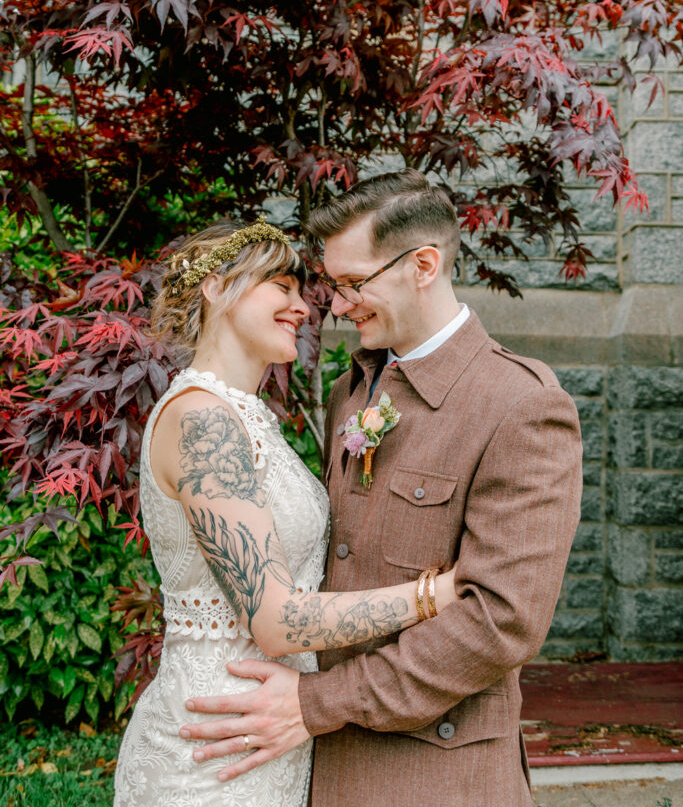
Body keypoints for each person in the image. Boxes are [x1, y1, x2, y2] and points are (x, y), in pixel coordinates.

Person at [179, 171, 584, 807]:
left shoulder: (521, 405)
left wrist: (318, 703)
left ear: (422, 264)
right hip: (311, 762)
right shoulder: (350, 390)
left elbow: (502, 621)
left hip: (432, 775)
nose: (335, 306)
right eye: (333, 286)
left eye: (352, 283)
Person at [113, 215, 459, 807]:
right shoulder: (203, 420)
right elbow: (274, 620)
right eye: (282, 286)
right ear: (216, 288)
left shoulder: (250, 419)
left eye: (303, 292)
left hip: (269, 732)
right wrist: (437, 594)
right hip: (214, 746)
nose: (304, 308)